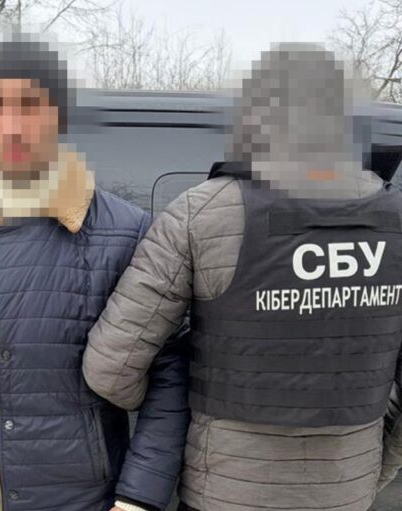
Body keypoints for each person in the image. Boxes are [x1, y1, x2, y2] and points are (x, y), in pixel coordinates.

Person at [83, 43, 402, 511]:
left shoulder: (202, 212)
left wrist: (179, 414)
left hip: (222, 493)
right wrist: (374, 469)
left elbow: (109, 370)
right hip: (346, 492)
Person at [0, 34, 189, 511]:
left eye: (30, 105)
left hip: (92, 501)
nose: (13, 127)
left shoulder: (127, 231)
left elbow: (170, 374)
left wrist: (137, 499)